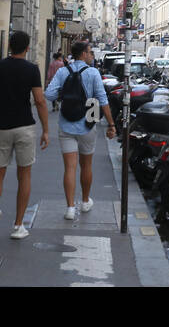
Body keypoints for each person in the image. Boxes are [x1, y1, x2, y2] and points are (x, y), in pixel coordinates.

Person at [0, 30, 49, 240]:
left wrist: (0, 94)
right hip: (25, 127)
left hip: (1, 126)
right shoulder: (32, 70)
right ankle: (18, 226)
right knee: (24, 175)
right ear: (28, 48)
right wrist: (46, 129)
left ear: (9, 46)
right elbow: (39, 100)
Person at [45, 40, 116, 220]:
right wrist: (111, 124)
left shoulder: (63, 71)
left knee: (69, 167)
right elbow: (103, 100)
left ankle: (69, 208)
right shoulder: (93, 73)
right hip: (87, 124)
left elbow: (49, 94)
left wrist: (65, 94)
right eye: (90, 52)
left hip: (66, 123)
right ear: (83, 54)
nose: (91, 55)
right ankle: (85, 201)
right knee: (86, 165)